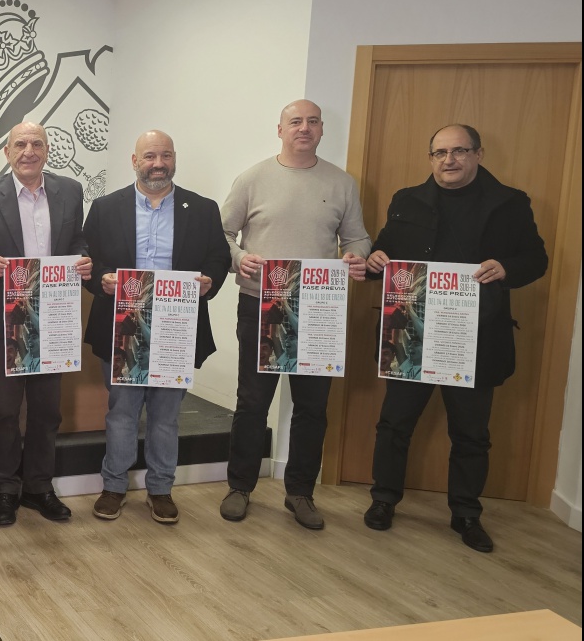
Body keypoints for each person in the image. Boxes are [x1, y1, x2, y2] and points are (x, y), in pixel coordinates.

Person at [362, 123, 547, 553]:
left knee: (471, 433)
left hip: (476, 338)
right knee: (394, 424)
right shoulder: (407, 199)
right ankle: (383, 500)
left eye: (460, 151)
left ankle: (466, 513)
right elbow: (383, 256)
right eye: (440, 152)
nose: (449, 160)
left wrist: (506, 268)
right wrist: (374, 260)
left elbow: (536, 259)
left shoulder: (510, 204)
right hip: (410, 334)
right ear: (430, 158)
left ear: (478, 154)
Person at [219, 100, 371, 530]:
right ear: (280, 129)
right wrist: (239, 258)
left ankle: (301, 492)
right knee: (252, 403)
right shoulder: (253, 178)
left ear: (322, 130)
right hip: (261, 304)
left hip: (319, 309)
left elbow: (357, 237)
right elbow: (222, 233)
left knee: (312, 406)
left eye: (312, 122)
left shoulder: (342, 183)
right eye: (295, 122)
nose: (304, 128)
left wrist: (357, 257)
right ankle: (240, 486)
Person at [83, 130, 230, 524]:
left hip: (177, 325)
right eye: (150, 156)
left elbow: (219, 258)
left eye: (165, 155)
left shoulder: (202, 209)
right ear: (135, 161)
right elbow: (86, 262)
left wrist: (210, 282)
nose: (158, 163)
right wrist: (102, 280)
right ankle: (113, 487)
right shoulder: (104, 207)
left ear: (174, 159)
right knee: (122, 412)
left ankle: (161, 489)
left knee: (167, 415)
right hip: (120, 326)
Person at [0, 122, 91, 527]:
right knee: (5, 408)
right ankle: (5, 488)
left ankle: (38, 487)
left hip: (53, 315)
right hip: (3, 316)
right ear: (6, 152)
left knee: (46, 409)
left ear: (47, 149)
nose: (29, 151)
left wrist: (83, 259)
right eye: (20, 144)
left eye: (37, 143)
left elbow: (78, 242)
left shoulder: (70, 190)